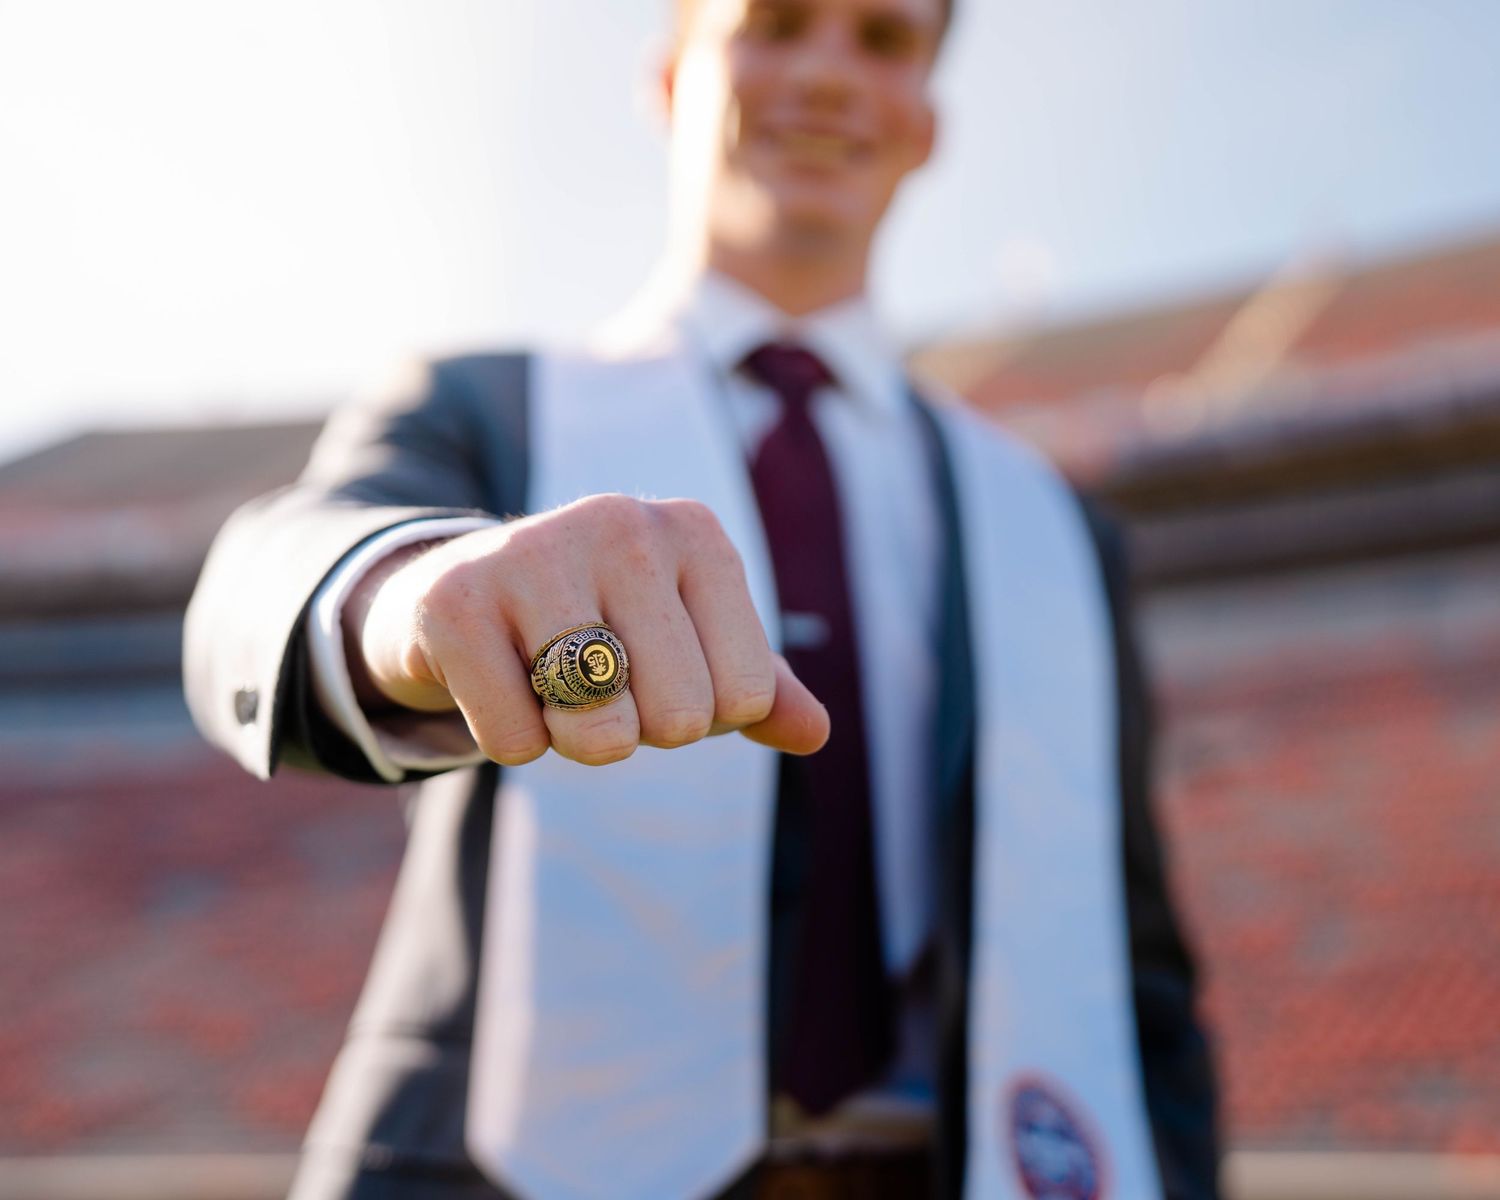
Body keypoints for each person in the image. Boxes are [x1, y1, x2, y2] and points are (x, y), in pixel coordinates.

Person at [184, 0, 1220, 1197]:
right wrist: (413, 596)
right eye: (777, 24)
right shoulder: (488, 412)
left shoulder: (1055, 526)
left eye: (882, 41)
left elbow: (1136, 962)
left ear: (926, 120)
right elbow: (278, 577)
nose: (828, 76)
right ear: (672, 77)